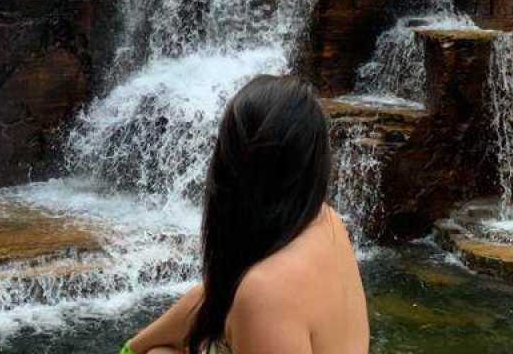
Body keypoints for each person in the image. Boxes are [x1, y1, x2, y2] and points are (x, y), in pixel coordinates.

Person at [122, 75, 370, 354]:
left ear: (228, 168)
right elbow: (213, 297)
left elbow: (253, 297)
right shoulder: (326, 221)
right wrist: (135, 347)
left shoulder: (266, 293)